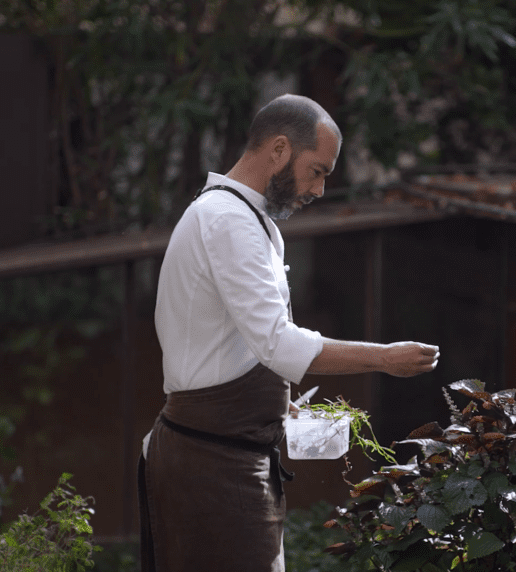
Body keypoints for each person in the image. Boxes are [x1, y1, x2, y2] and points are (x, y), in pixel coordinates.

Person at [137, 93, 439, 572]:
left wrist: (277, 401)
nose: (319, 190)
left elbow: (240, 344)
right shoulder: (226, 219)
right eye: (317, 171)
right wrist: (384, 358)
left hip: (231, 455)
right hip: (208, 463)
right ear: (279, 150)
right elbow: (279, 343)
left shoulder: (249, 220)